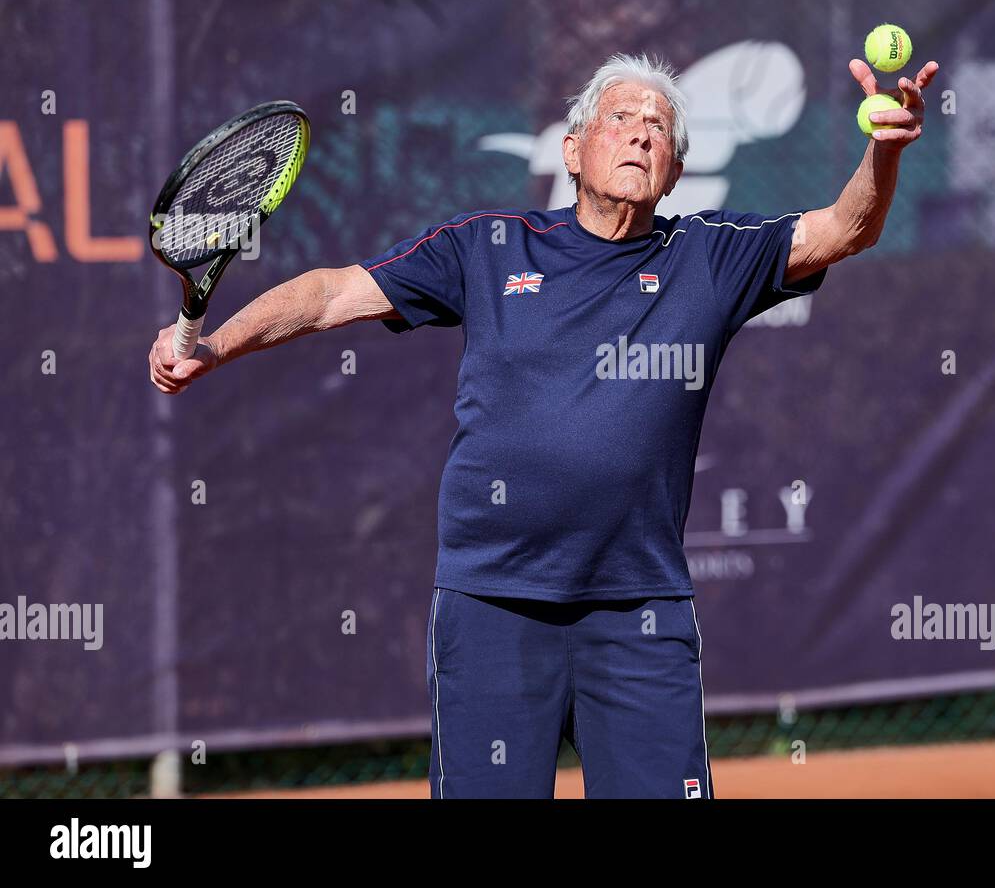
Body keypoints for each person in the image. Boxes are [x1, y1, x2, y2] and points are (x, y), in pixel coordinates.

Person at [148, 51, 938, 798]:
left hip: (640, 614)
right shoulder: (487, 250)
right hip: (492, 607)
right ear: (571, 150)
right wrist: (217, 346)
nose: (639, 131)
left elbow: (846, 227)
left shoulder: (710, 258)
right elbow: (329, 293)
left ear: (676, 171)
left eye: (658, 127)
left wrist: (885, 151)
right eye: (621, 117)